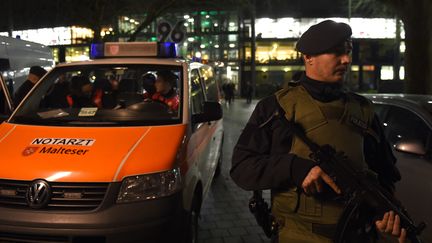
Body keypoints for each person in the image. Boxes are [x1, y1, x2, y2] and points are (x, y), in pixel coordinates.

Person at [230, 20, 406, 243]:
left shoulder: (363, 109)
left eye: (348, 51)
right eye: (336, 52)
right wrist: (295, 168)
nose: (346, 60)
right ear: (308, 57)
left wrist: (384, 215)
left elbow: (385, 174)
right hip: (299, 236)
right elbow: (241, 168)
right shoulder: (277, 108)